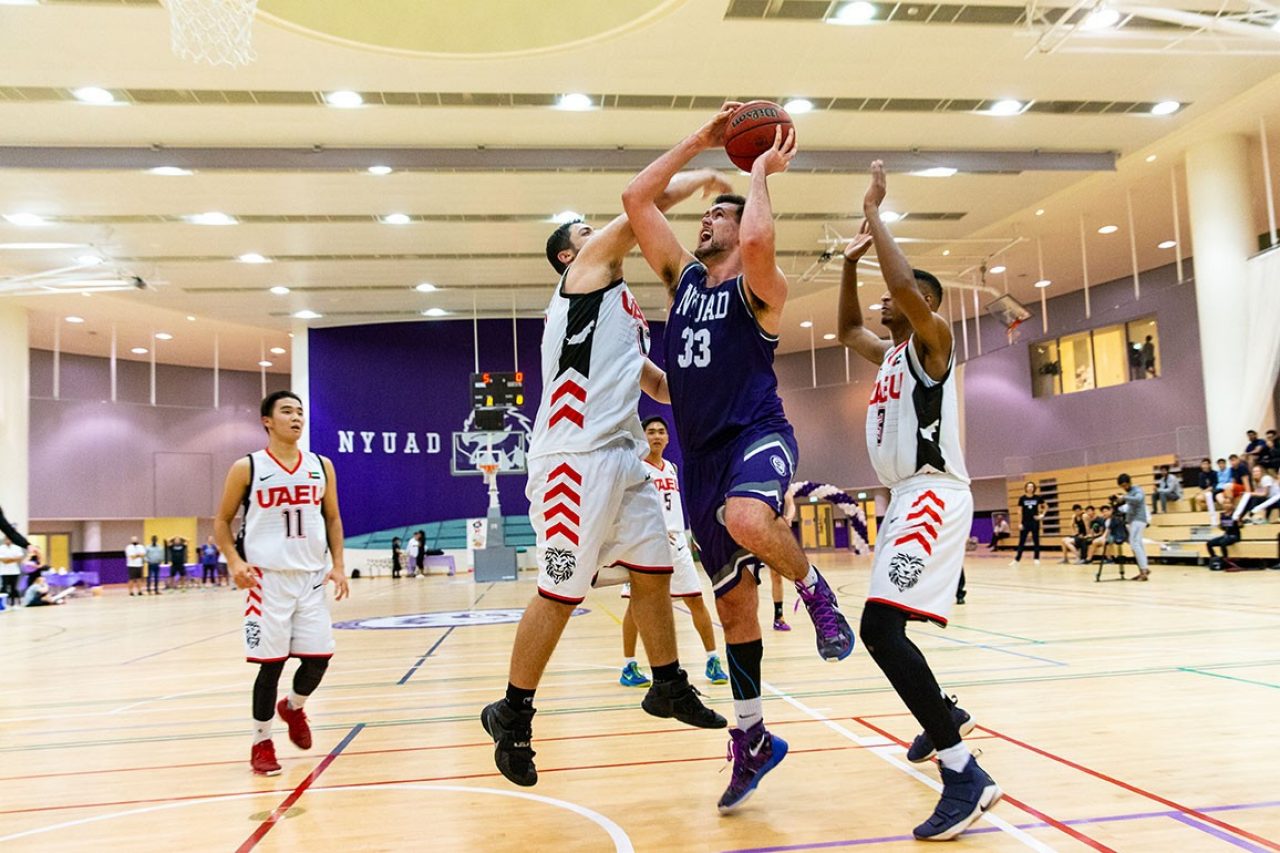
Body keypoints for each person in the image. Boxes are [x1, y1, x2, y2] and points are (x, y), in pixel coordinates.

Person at [623, 105, 855, 813]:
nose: (705, 222)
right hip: (700, 459)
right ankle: (751, 736)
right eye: (705, 216)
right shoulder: (683, 284)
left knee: (749, 517)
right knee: (734, 608)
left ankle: (815, 590)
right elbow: (636, 199)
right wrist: (699, 139)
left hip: (756, 433)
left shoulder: (761, 290)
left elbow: (757, 237)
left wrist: (757, 173)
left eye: (716, 217)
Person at [481, 166, 731, 791]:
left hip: (622, 456)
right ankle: (512, 713)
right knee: (561, 593)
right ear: (569, 256)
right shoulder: (582, 277)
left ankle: (667, 684)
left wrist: (715, 386)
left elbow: (656, 384)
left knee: (654, 571)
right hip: (574, 459)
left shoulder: (618, 309)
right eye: (585, 232)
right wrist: (700, 166)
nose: (598, 233)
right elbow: (642, 208)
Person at [836, 161, 999, 841]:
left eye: (896, 296)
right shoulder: (891, 355)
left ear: (923, 303)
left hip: (933, 494)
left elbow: (903, 285)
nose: (885, 301)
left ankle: (964, 773)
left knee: (879, 630)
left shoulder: (934, 343)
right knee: (887, 630)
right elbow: (847, 330)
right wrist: (850, 264)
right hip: (904, 498)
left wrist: (875, 213)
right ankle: (947, 718)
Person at [213, 390, 349, 776]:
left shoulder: (321, 465)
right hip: (267, 580)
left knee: (319, 658)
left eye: (300, 412)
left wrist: (339, 566)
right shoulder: (247, 467)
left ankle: (293, 707)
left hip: (310, 578)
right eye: (286, 411)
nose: (296, 417)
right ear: (267, 421)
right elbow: (221, 521)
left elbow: (333, 518)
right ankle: (261, 743)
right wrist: (234, 561)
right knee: (270, 666)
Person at [618, 416, 729, 688]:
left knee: (696, 600)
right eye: (651, 432)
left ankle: (713, 660)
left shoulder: (672, 468)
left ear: (667, 438)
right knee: (635, 606)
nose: (656, 436)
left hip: (677, 543)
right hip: (645, 544)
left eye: (661, 432)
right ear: (643, 437)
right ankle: (628, 665)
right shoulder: (635, 468)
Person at [769, 491, 796, 631]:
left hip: (774, 533)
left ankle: (778, 617)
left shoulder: (783, 482)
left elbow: (791, 505)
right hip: (752, 529)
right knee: (747, 577)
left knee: (776, 576)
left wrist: (789, 517)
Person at [1116, 474, 1150, 581]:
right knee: (1138, 544)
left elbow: (1139, 499)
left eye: (1125, 485)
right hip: (1134, 521)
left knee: (1134, 543)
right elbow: (1130, 507)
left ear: (1130, 482)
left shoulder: (1137, 489)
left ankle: (1144, 570)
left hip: (1138, 519)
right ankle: (1144, 569)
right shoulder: (1130, 493)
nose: (1124, 487)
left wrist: (1124, 497)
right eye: (1122, 486)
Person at [1010, 481, 1047, 566]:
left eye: (1032, 487)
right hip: (1025, 522)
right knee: (1021, 542)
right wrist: (1020, 523)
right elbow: (1019, 511)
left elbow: (1046, 506)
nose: (1030, 488)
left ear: (1034, 488)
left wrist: (1042, 515)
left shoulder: (1037, 498)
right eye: (1028, 486)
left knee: (1036, 541)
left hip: (1034, 522)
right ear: (1026, 488)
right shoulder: (1022, 498)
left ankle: (1036, 558)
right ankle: (1017, 560)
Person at [0, 535, 23, 605]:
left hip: (15, 571)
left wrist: (8, 559)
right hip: (4, 572)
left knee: (14, 588)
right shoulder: (1, 548)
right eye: (6, 539)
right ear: (4, 540)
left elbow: (19, 559)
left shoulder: (17, 548)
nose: (8, 541)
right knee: (4, 587)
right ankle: (3, 603)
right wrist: (14, 559)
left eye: (9, 539)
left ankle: (12, 603)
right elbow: (3, 560)